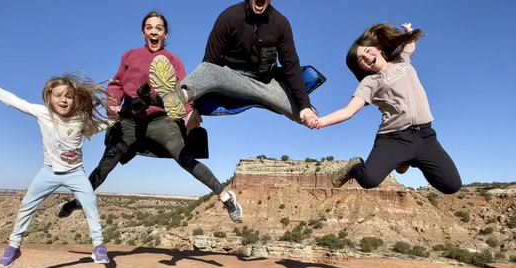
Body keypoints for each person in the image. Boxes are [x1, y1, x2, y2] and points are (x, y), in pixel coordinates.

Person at [55, 12, 243, 222]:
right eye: (149, 27)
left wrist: (190, 111)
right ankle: (79, 201)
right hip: (130, 120)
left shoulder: (173, 60)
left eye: (159, 28)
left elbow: (184, 88)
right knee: (106, 163)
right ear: (144, 32)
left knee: (185, 159)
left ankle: (226, 197)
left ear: (165, 33)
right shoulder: (130, 56)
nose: (154, 31)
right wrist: (112, 103)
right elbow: (116, 84)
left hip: (160, 120)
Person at [0, 62, 112, 268]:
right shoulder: (42, 113)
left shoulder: (80, 120)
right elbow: (12, 101)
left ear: (75, 99)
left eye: (68, 96)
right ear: (49, 96)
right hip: (48, 171)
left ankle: (98, 246)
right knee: (27, 206)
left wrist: (118, 116)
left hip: (75, 172)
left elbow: (101, 125)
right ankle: (14, 246)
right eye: (59, 95)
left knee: (90, 204)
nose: (63, 100)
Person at [313, 22, 461, 194]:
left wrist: (409, 32)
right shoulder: (369, 83)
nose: (367, 57)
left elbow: (410, 46)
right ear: (360, 67)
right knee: (369, 180)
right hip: (394, 138)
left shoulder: (401, 60)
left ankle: (411, 159)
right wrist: (320, 122)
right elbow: (349, 111)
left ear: (378, 48)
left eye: (368, 51)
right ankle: (356, 167)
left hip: (425, 136)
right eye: (361, 59)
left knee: (452, 186)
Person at [147, 0, 319, 133]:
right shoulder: (229, 17)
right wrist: (195, 107)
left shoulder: (281, 24)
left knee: (308, 115)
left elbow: (291, 66)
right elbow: (209, 62)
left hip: (265, 83)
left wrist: (304, 106)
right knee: (209, 69)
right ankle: (179, 96)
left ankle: (310, 114)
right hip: (231, 78)